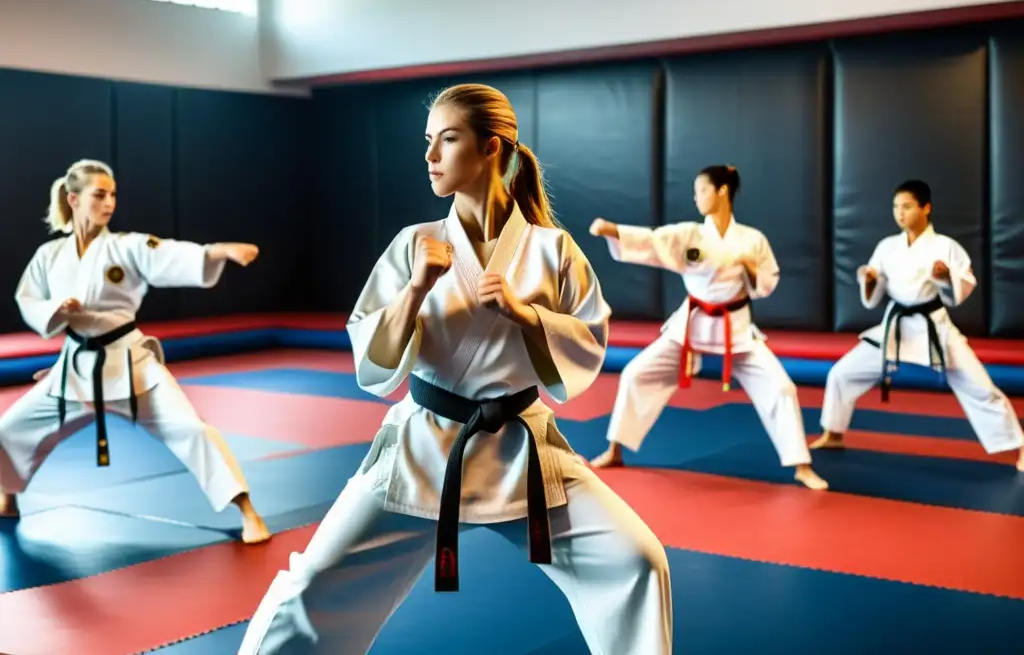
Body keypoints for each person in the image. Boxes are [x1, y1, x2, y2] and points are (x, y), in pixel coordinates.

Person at [237, 84, 672, 655]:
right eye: (428, 141)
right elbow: (370, 351)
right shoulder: (415, 244)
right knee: (313, 584)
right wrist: (416, 288)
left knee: (637, 561)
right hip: (423, 448)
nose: (430, 156)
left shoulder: (552, 249)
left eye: (447, 139)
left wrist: (525, 315)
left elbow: (589, 341)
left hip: (523, 450)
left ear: (492, 148)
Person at [0, 159, 272, 543]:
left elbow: (166, 255)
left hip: (131, 364)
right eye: (99, 194)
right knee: (11, 429)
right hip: (76, 368)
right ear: (74, 199)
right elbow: (27, 298)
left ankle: (248, 512)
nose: (109, 202)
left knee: (191, 430)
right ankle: (7, 495)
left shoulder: (126, 246)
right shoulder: (49, 256)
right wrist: (55, 312)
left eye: (113, 194)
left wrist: (216, 252)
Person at [588, 165, 829, 491]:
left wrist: (750, 267)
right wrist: (614, 230)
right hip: (692, 325)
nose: (696, 197)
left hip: (736, 328)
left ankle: (802, 465)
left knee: (781, 388)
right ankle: (615, 450)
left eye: (701, 190)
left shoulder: (752, 239)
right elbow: (654, 239)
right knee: (635, 373)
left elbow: (767, 282)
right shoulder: (690, 234)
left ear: (722, 192)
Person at [811, 180, 1024, 471]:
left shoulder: (946, 247)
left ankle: (1020, 446)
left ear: (926, 208)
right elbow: (873, 296)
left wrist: (946, 277)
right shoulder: (887, 246)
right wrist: (871, 281)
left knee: (980, 386)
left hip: (934, 327)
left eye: (907, 206)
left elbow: (960, 290)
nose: (900, 213)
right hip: (895, 328)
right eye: (896, 207)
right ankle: (833, 433)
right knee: (841, 373)